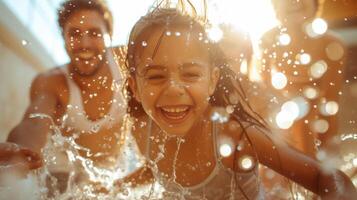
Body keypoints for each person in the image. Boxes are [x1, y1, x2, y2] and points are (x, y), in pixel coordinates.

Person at [118, 4, 356, 199]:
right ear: (134, 88)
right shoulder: (142, 128)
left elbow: (327, 178)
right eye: (156, 76)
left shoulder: (234, 135)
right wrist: (115, 187)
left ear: (212, 81)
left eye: (190, 74)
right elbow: (159, 167)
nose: (173, 89)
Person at [1, 0, 131, 192]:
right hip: (63, 172)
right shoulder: (52, 82)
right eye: (74, 34)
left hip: (111, 172)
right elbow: (34, 123)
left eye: (94, 33)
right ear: (63, 38)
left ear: (109, 36)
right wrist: (18, 151)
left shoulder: (126, 63)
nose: (84, 43)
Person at [252, 0, 346, 158]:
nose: (294, 1)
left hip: (312, 120)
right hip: (280, 118)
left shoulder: (332, 44)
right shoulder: (267, 41)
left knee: (310, 118)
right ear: (275, 7)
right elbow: (265, 97)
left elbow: (330, 105)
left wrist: (328, 155)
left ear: (316, 4)